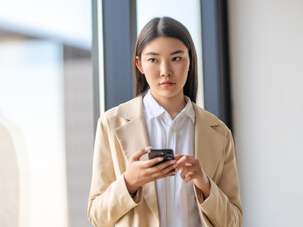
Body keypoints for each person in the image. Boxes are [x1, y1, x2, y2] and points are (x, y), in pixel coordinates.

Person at [87, 16, 242, 227]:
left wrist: (205, 185)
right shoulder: (111, 123)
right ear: (139, 64)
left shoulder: (219, 133)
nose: (165, 71)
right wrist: (129, 182)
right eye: (153, 59)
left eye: (176, 58)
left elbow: (233, 222)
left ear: (190, 62)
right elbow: (96, 216)